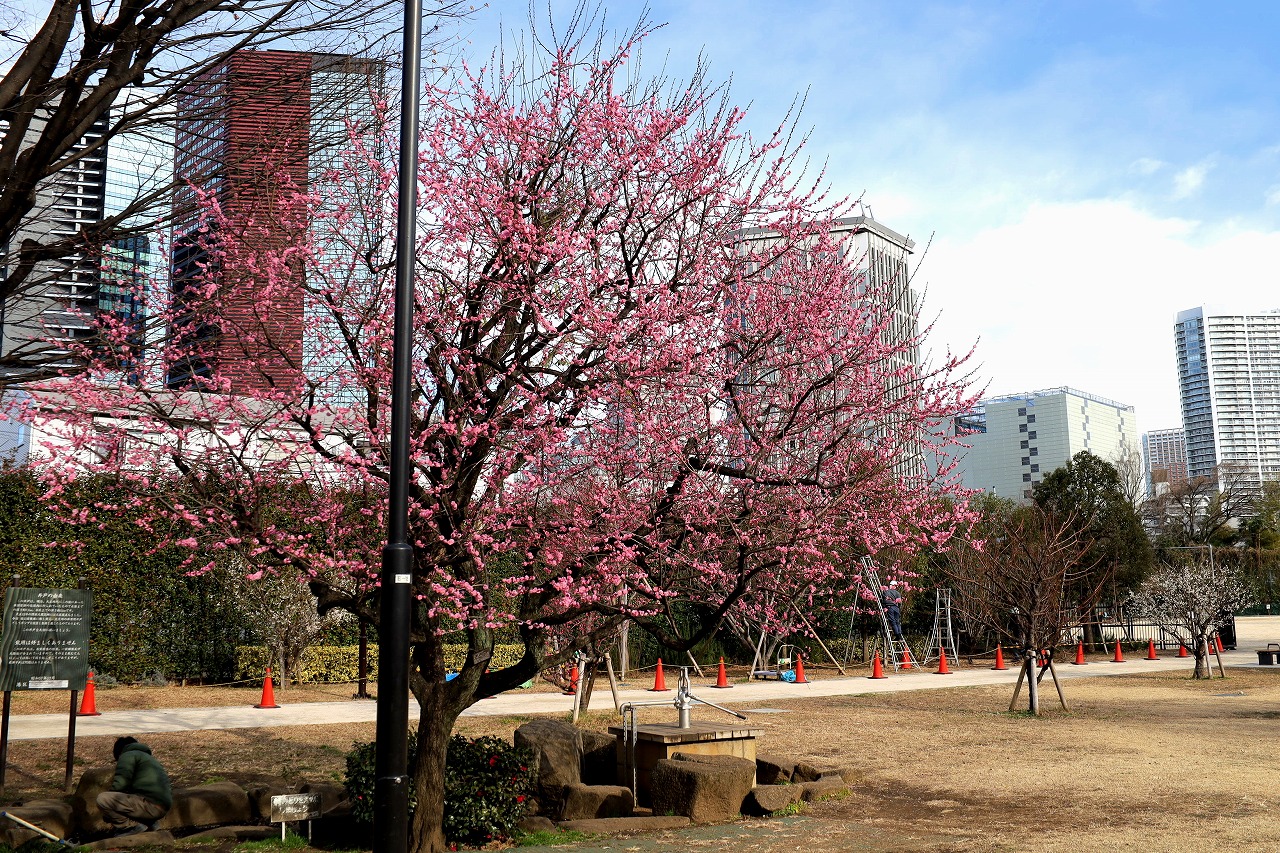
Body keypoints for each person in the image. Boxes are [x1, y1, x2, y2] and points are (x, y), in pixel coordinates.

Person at [96, 736, 172, 836]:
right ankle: (150, 824)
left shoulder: (127, 755)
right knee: (130, 797)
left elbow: (120, 784)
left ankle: (129, 827)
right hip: (162, 807)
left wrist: (109, 810)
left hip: (150, 805)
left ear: (119, 752)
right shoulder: (148, 758)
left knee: (103, 799)